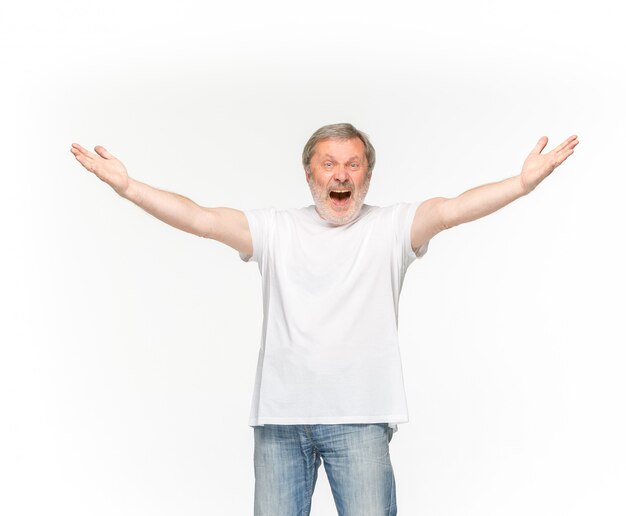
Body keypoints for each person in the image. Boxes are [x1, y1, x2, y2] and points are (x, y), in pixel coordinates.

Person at [70, 123, 579, 515]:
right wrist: (128, 187)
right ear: (310, 173)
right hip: (279, 422)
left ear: (367, 175)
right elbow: (201, 218)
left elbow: (451, 210)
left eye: (353, 164)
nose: (341, 174)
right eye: (330, 163)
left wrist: (520, 184)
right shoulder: (275, 230)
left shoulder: (392, 227)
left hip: (359, 421)